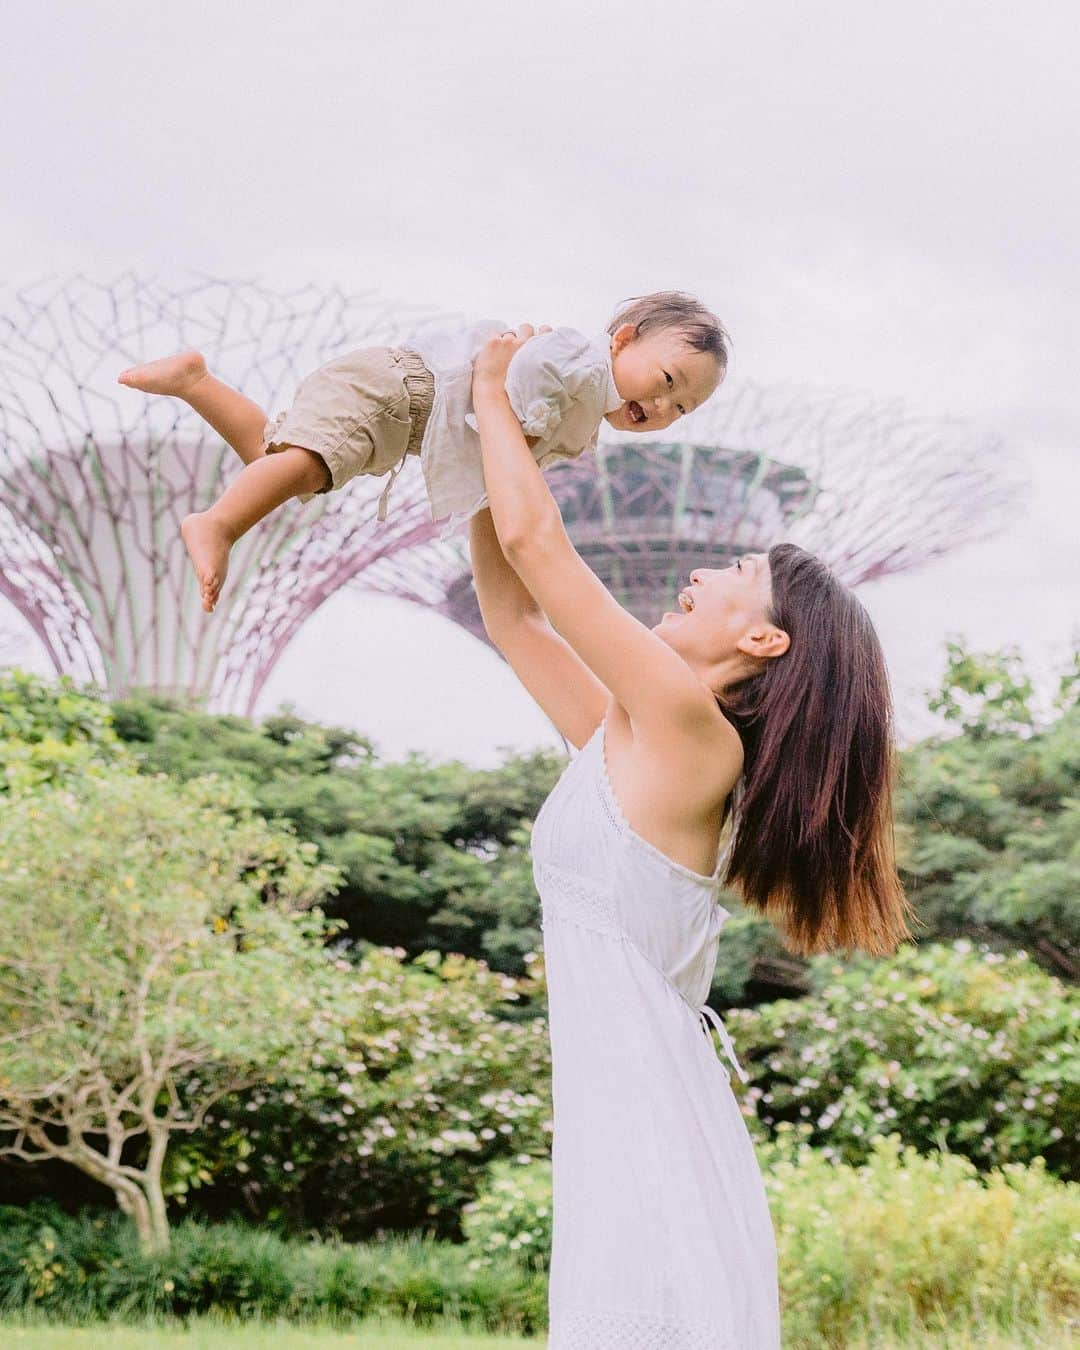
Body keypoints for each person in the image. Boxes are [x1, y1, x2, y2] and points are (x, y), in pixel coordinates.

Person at [468, 326, 914, 1348]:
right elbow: (512, 615)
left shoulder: (688, 732)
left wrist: (494, 390)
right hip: (623, 1102)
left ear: (762, 639)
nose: (708, 572)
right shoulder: (629, 737)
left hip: (638, 1110)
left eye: (738, 568)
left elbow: (542, 551)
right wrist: (497, 450)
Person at [116, 291, 726, 613]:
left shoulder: (589, 404)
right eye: (668, 380)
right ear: (622, 341)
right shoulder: (580, 362)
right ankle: (218, 523)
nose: (666, 407)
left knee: (278, 461)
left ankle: (196, 381)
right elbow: (527, 365)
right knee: (304, 466)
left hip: (403, 414)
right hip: (402, 392)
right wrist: (525, 432)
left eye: (683, 409)